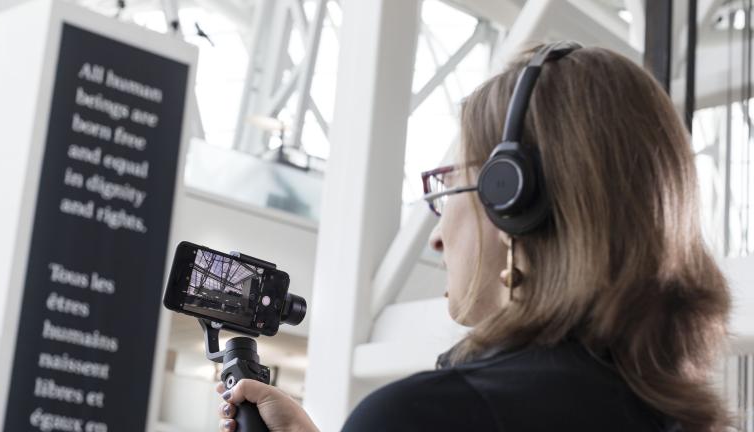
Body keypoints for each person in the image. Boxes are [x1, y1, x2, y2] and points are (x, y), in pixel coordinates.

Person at [215, 42, 731, 432]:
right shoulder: (671, 417)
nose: (437, 238)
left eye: (451, 186)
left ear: (514, 199)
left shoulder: (426, 415)